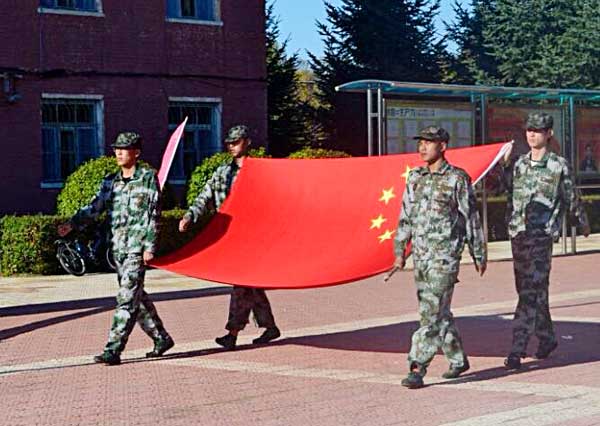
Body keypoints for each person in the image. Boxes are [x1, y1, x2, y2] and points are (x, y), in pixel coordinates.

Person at [58, 132, 174, 365]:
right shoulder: (110, 181)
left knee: (126, 298)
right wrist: (72, 223)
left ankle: (113, 349)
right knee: (136, 297)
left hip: (136, 248)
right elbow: (94, 207)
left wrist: (149, 246)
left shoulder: (147, 178)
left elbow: (153, 214)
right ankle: (161, 338)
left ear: (136, 152)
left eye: (124, 149)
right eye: (116, 149)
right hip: (117, 248)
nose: (119, 153)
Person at [394, 126, 487, 389]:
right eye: (420, 142)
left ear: (443, 146)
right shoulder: (415, 177)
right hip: (421, 257)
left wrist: (478, 252)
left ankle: (417, 366)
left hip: (445, 257)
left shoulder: (457, 178)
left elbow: (470, 217)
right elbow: (405, 215)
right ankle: (457, 359)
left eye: (429, 142)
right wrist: (400, 250)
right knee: (438, 312)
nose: (423, 147)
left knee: (430, 315)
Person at [179, 125, 280, 350]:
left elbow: (273, 202)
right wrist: (189, 216)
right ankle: (270, 326)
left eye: (236, 142)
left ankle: (232, 333)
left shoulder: (259, 172)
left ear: (247, 142)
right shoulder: (222, 173)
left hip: (252, 238)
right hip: (230, 236)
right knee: (250, 284)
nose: (231, 146)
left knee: (241, 284)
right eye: (229, 143)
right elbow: (205, 196)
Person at [502, 112, 590, 370]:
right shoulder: (519, 164)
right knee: (530, 290)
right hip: (519, 234)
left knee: (529, 291)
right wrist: (505, 165)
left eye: (538, 130)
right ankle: (547, 337)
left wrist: (582, 221)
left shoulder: (558, 165)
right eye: (529, 129)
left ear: (548, 133)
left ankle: (517, 348)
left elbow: (570, 194)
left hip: (542, 236)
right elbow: (507, 189)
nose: (532, 134)